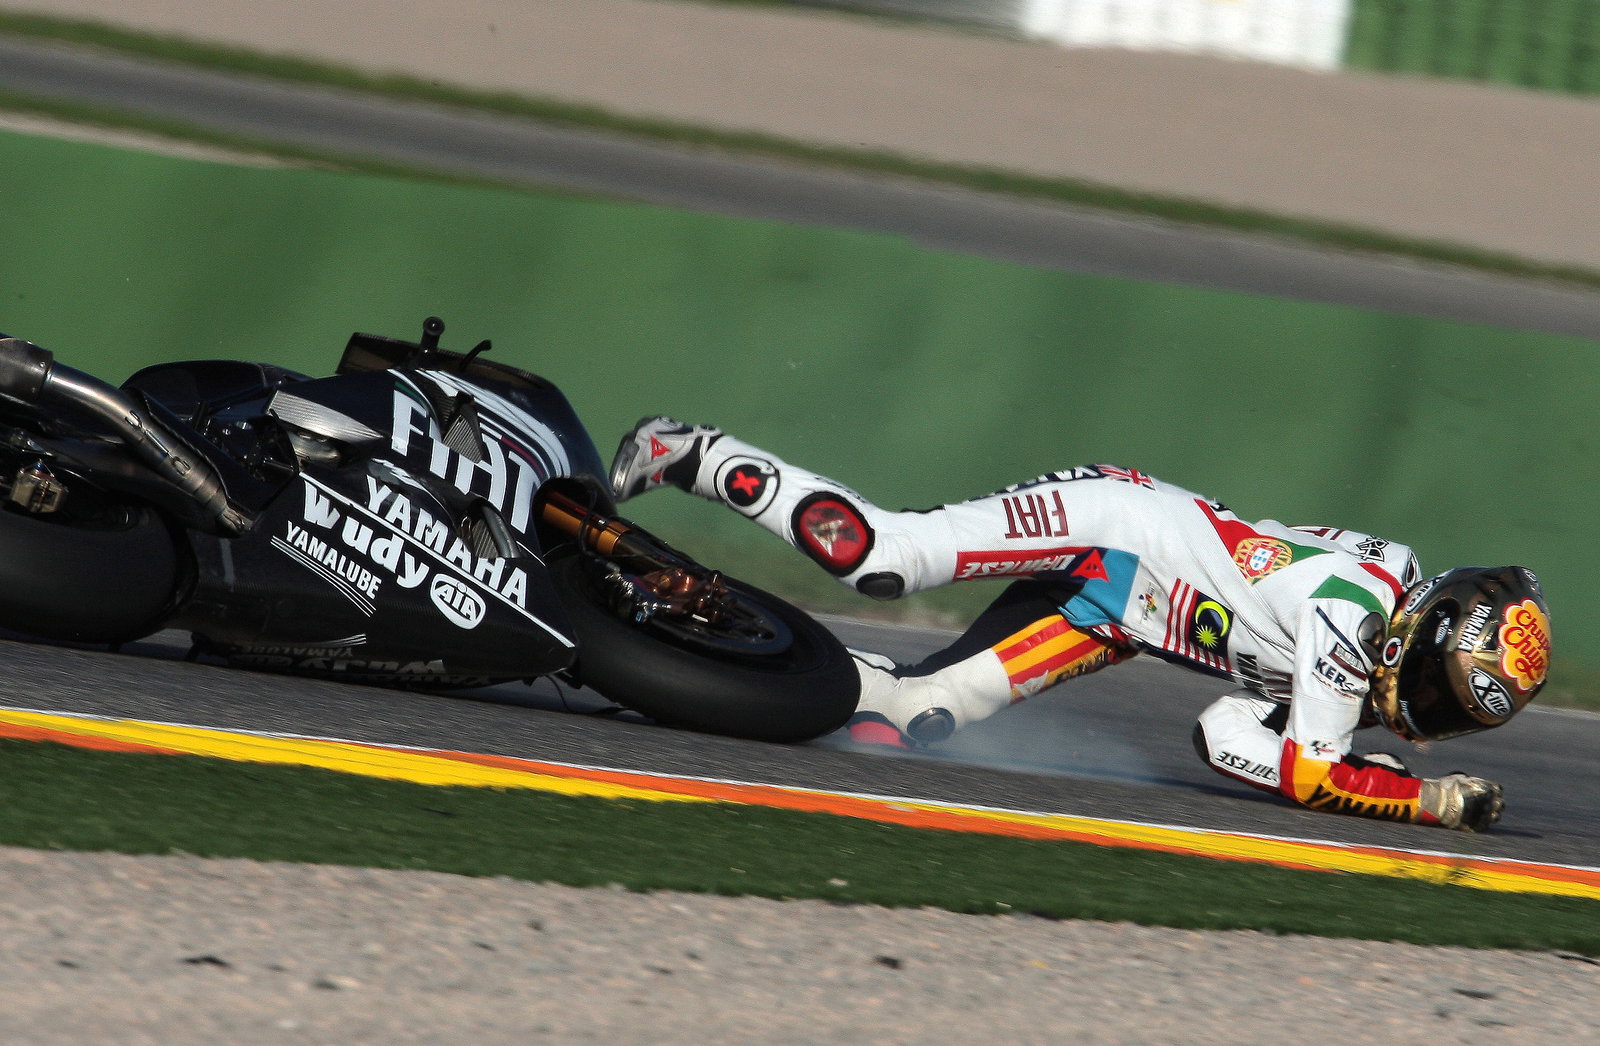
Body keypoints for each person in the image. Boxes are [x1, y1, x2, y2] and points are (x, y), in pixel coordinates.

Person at [608, 418, 1552, 832]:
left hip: (1112, 617)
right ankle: (689, 452)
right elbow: (1309, 772)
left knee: (906, 720)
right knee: (881, 558)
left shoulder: (1367, 643)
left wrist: (1357, 771)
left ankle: (681, 649)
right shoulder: (1350, 615)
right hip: (1113, 527)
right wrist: (1422, 801)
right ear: (1421, 635)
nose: (1430, 712)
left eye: (1457, 713)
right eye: (1439, 687)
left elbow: (1226, 739)